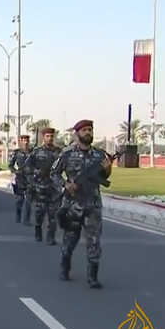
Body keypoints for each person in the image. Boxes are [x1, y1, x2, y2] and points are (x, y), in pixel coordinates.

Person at [51, 120, 111, 288]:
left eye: (90, 130)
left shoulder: (99, 155)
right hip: (72, 205)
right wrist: (65, 184)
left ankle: (93, 276)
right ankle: (65, 264)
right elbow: (54, 173)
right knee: (70, 240)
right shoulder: (67, 153)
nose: (88, 133)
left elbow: (104, 177)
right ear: (77, 133)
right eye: (84, 130)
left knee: (94, 241)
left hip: (92, 205)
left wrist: (107, 170)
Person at [25, 128, 62, 244]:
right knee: (39, 214)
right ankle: (38, 231)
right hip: (40, 187)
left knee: (53, 215)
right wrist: (37, 172)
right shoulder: (36, 151)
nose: (50, 138)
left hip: (54, 188)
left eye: (51, 136)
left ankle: (51, 237)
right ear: (43, 137)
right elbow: (27, 167)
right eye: (47, 136)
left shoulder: (59, 152)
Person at [8, 134, 33, 225]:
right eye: (23, 141)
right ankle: (18, 215)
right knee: (19, 199)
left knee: (29, 200)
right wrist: (15, 171)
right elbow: (10, 165)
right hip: (20, 178)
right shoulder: (16, 153)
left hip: (30, 178)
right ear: (20, 142)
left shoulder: (32, 152)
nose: (25, 143)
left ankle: (27, 219)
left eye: (27, 141)